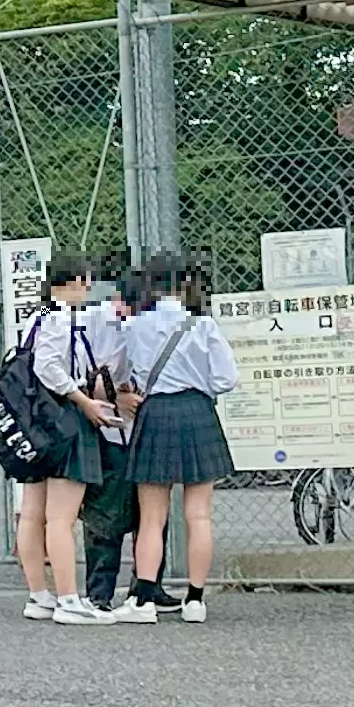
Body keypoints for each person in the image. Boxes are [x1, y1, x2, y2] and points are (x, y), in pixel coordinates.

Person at [114, 248, 239, 623]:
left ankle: (145, 601)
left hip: (154, 414)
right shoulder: (203, 325)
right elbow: (227, 379)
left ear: (150, 283)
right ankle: (196, 601)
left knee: (152, 516)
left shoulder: (135, 325)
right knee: (198, 514)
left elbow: (124, 371)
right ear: (185, 283)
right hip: (198, 413)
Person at [10, 255, 121, 623]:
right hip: (64, 420)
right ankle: (70, 600)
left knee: (32, 514)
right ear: (69, 281)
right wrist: (83, 399)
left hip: (32, 422)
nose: (88, 289)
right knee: (61, 517)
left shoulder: (35, 318)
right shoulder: (62, 318)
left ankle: (39, 596)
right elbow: (48, 367)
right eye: (85, 282)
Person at [80, 257, 146, 611]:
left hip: (144, 430)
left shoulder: (148, 322)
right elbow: (76, 375)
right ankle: (99, 592)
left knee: (149, 512)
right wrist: (116, 396)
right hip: (106, 428)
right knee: (105, 513)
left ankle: (146, 588)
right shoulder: (91, 320)